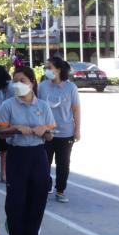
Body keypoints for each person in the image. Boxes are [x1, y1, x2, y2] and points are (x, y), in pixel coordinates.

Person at [0, 67, 55, 235]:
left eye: (22, 80)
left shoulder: (43, 106)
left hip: (38, 155)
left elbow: (50, 136)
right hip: (17, 155)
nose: (17, 84)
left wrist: (44, 130)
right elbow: (1, 133)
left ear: (32, 83)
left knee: (37, 198)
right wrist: (15, 128)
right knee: (15, 200)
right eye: (15, 80)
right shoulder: (7, 105)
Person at [38, 56, 81, 203]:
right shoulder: (42, 86)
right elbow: (38, 108)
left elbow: (76, 109)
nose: (47, 70)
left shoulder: (71, 87)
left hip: (65, 132)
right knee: (44, 162)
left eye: (49, 67)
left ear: (59, 69)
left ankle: (60, 190)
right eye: (46, 68)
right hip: (46, 132)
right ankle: (46, 185)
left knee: (63, 164)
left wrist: (77, 129)